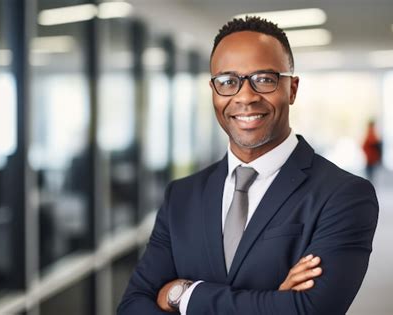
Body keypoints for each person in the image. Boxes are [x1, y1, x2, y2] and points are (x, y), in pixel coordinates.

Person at [118, 16, 378, 315]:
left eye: (264, 79)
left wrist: (184, 295)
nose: (245, 96)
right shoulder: (181, 196)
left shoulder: (343, 195)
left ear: (291, 89)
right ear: (214, 91)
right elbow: (132, 306)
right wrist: (272, 302)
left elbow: (308, 310)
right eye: (228, 82)